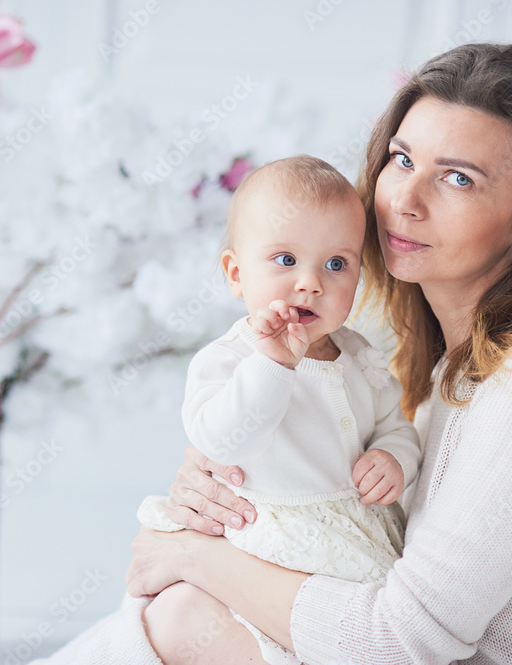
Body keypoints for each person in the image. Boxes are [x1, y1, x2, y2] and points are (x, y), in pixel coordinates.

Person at [35, 43, 512, 665]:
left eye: (458, 179)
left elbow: (400, 638)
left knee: (190, 615)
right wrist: (226, 479)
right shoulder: (438, 359)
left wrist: (194, 556)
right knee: (193, 615)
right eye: (401, 160)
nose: (404, 201)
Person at [135, 154, 421, 665]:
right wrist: (272, 365)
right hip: (262, 545)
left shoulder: (361, 356)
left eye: (337, 264)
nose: (310, 282)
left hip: (348, 540)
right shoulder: (228, 359)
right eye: (285, 260)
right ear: (236, 273)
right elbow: (221, 444)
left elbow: (393, 425)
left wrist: (393, 457)